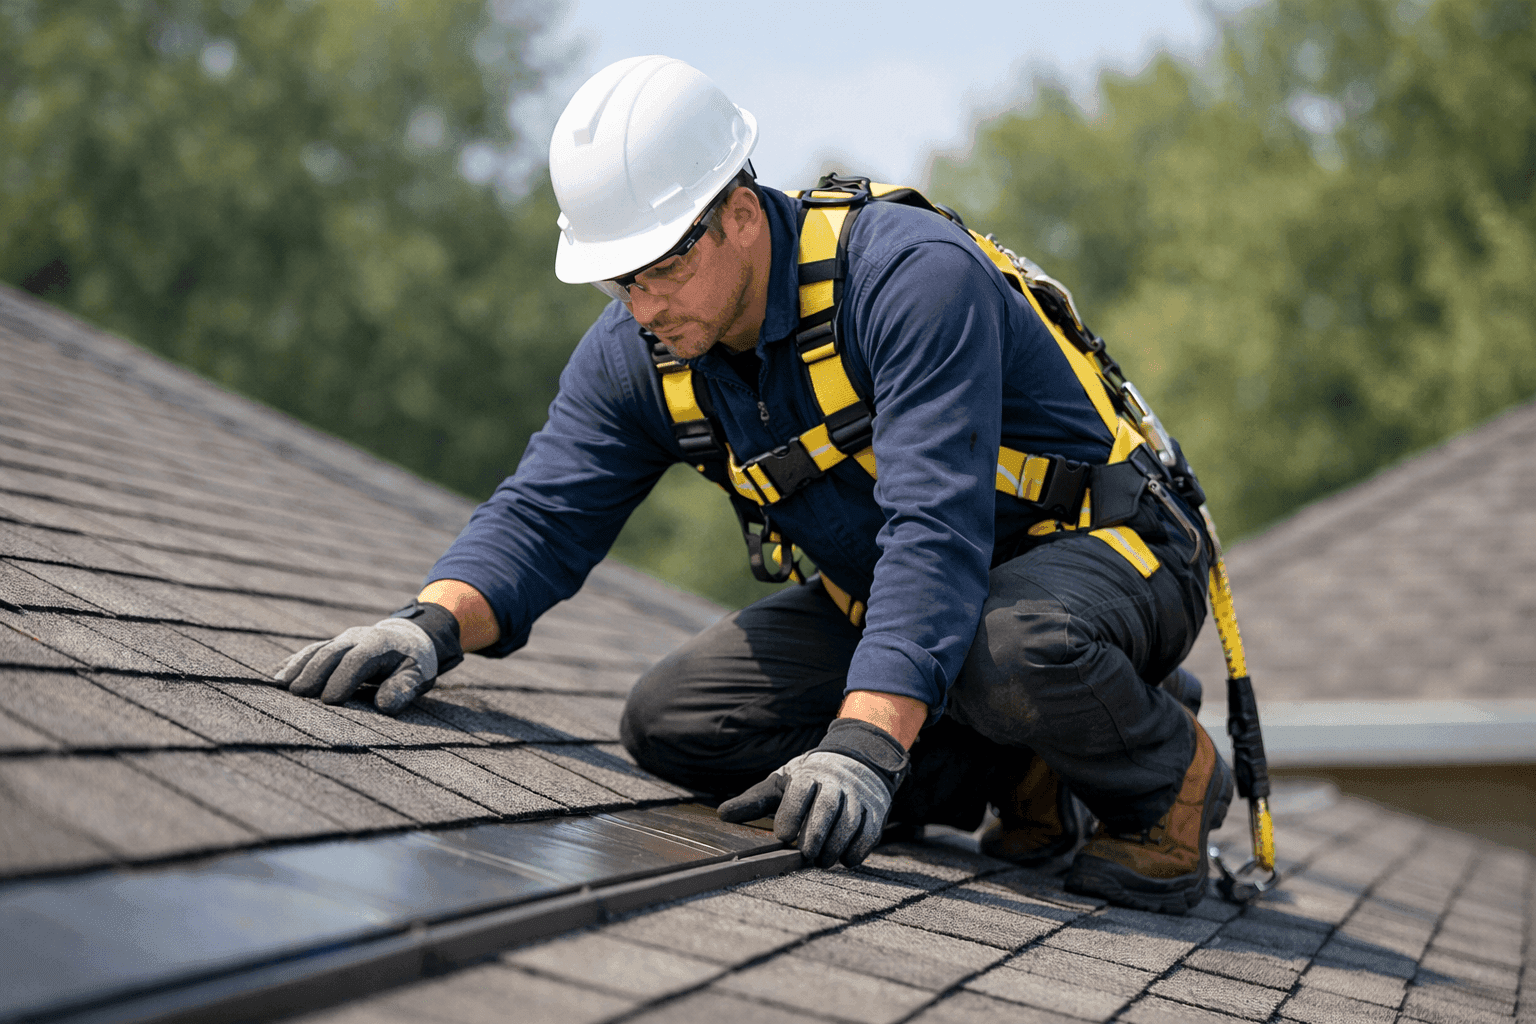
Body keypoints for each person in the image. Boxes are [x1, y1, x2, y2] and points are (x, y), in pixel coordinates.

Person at [276, 55, 1232, 915]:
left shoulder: (906, 279)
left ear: (737, 214)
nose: (644, 310)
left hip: (1112, 555)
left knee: (1006, 649)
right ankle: (1019, 757)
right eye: (618, 284)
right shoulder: (641, 352)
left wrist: (862, 745)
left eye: (660, 272)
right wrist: (427, 623)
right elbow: (544, 511)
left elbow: (934, 531)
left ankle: (1163, 776)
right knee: (682, 725)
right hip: (927, 605)